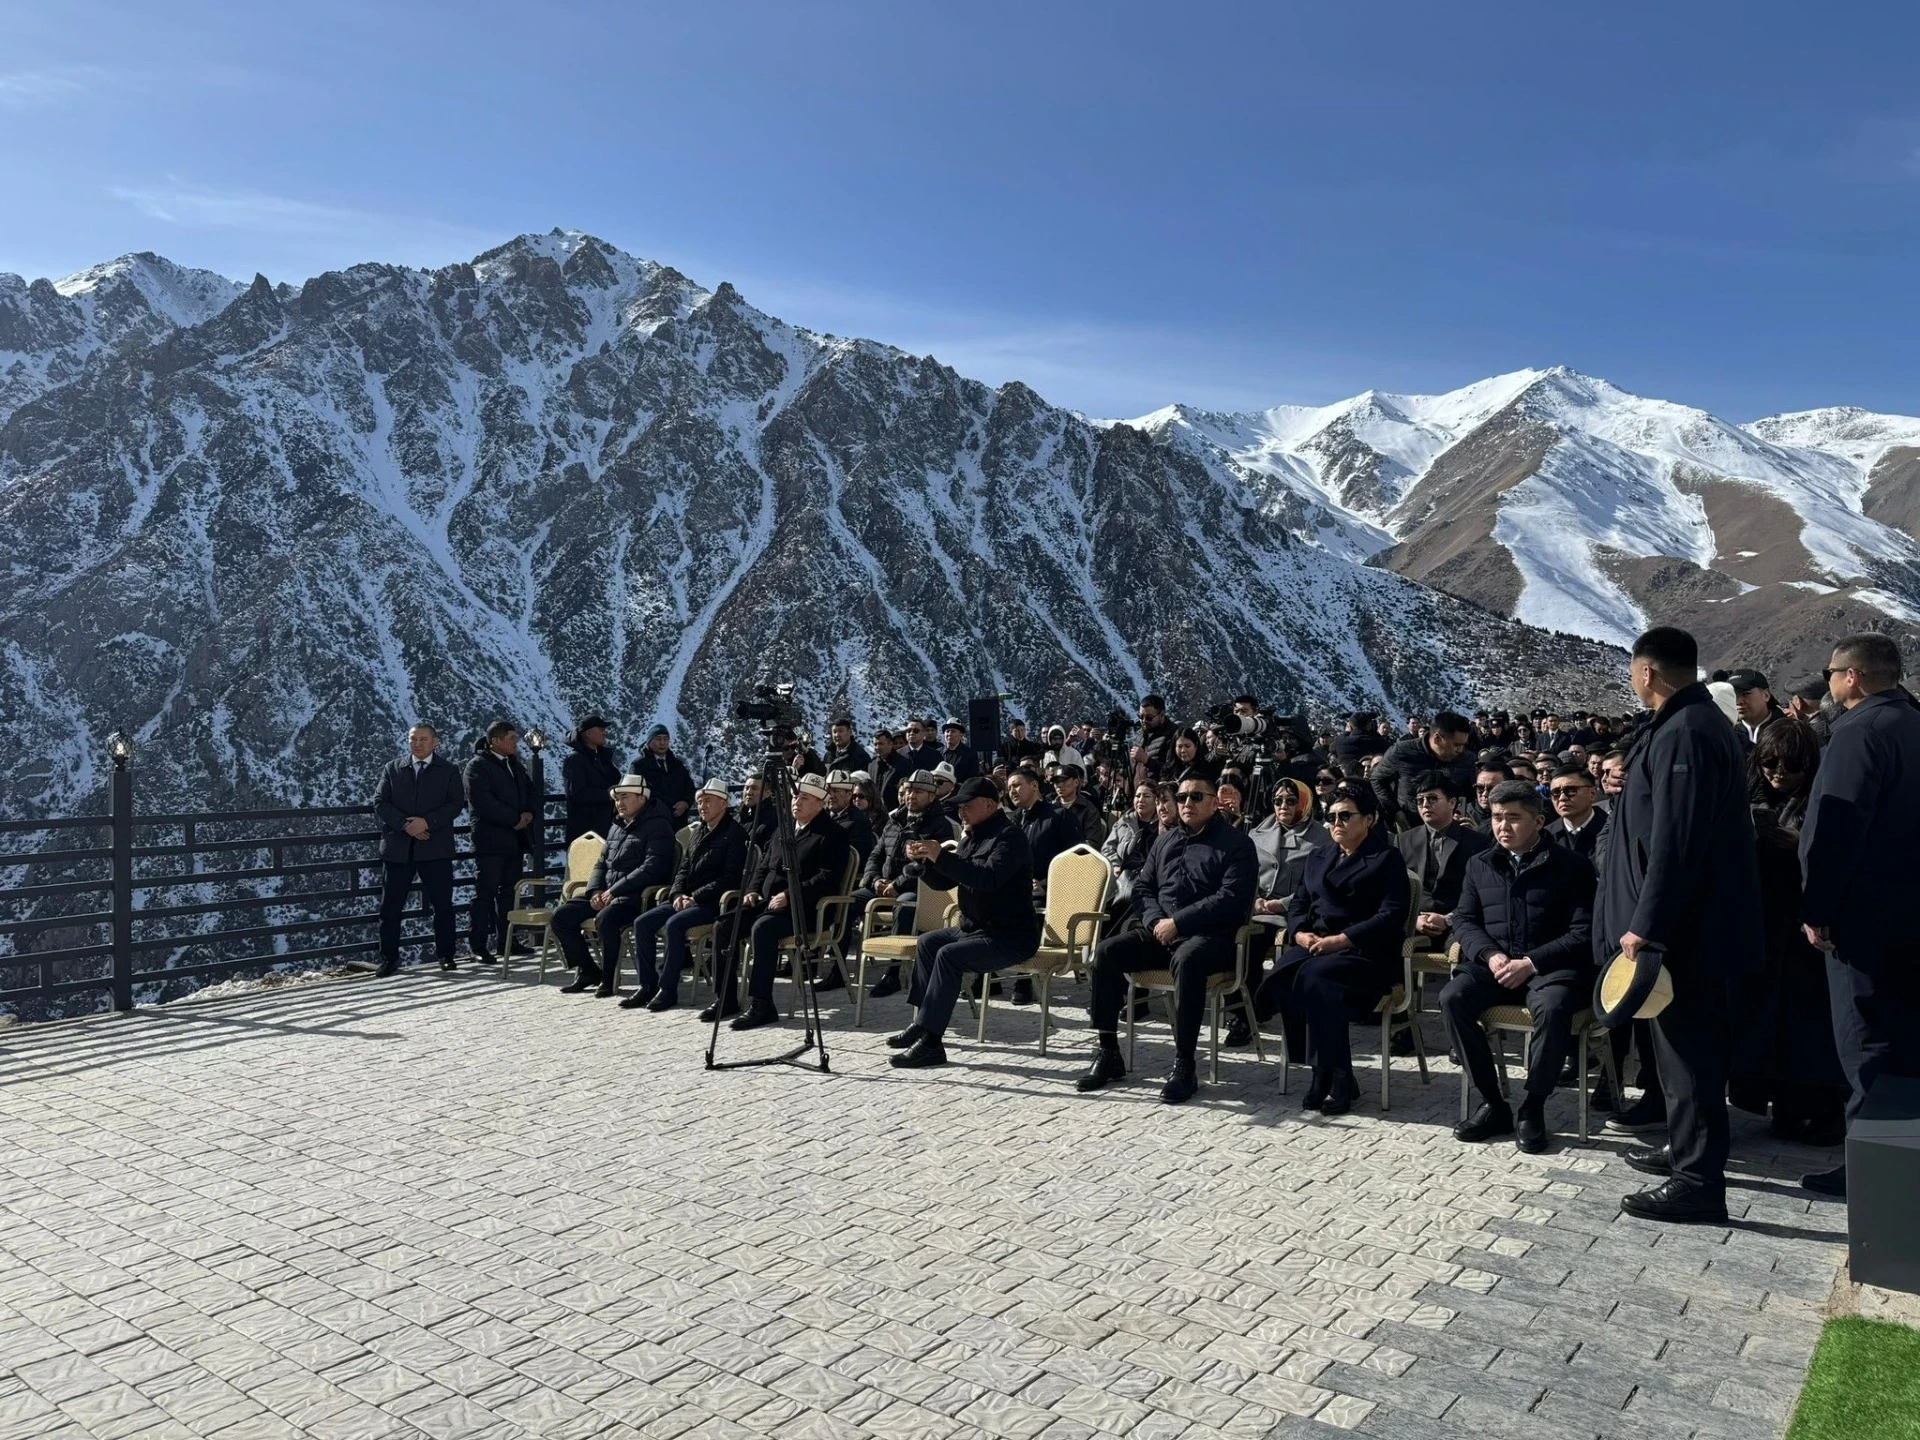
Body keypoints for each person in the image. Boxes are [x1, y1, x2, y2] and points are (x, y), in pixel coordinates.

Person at [1599, 627, 1761, 1224]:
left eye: (1632, 671)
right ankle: (1684, 1147)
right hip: (1687, 922)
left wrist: (1648, 922)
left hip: (1687, 929)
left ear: (1646, 672)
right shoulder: (1684, 724)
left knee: (1691, 1052)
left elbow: (1677, 839)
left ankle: (1698, 1183)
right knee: (1677, 1052)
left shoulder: (1687, 730)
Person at [1799, 633, 1920, 1197]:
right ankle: (1899, 1161)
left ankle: (1874, 1174)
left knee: (1866, 1043)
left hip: (1863, 918)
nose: (1827, 681)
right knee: (1905, 1041)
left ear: (1853, 676)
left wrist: (1818, 907)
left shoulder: (1859, 731)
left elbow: (1838, 828)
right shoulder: (1912, 722)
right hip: (1908, 913)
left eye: (1831, 671)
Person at [1077, 774, 1258, 1103]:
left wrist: (1178, 922)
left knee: (1188, 960)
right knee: (1107, 952)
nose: (1187, 803)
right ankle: (1108, 1051)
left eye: (1196, 797)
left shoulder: (1237, 844)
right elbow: (1143, 888)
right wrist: (1155, 921)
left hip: (1211, 937)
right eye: (1183, 797)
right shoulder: (1165, 841)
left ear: (1214, 802)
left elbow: (1231, 898)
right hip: (1161, 930)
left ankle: (1185, 1064)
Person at [1441, 781, 1597, 1152]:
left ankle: (1533, 1105)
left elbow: (1584, 931)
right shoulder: (1480, 863)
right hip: (1493, 967)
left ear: (1538, 821)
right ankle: (1492, 1103)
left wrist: (1531, 962)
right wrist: (1489, 955)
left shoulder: (1572, 866)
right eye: (1497, 817)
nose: (1503, 826)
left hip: (1551, 969)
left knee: (1553, 1007)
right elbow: (1465, 920)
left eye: (1513, 817)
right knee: (1452, 998)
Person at [1255, 782, 1411, 1114]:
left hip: (1365, 951)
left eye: (1345, 816)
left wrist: (1343, 939)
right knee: (1283, 976)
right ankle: (1325, 1068)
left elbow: (1391, 915)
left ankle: (1333, 1074)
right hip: (1317, 943)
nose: (1336, 823)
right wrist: (1299, 933)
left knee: (1315, 978)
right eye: (1331, 817)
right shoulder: (1319, 855)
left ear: (1368, 819)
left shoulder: (1386, 858)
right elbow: (1299, 903)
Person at [1728, 720, 1847, 1148]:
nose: (1779, 773)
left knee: (1807, 1027)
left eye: (1790, 766)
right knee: (1764, 1023)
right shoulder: (1747, 797)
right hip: (1759, 926)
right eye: (1770, 763)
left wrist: (1796, 844)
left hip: (1803, 931)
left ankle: (1822, 1111)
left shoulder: (1821, 798)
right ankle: (1784, 1106)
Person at [887, 778, 1039, 1069]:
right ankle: (923, 1022)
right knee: (929, 943)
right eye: (959, 807)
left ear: (990, 805)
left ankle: (931, 1043)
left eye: (967, 805)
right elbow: (947, 880)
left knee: (949, 956)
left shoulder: (1010, 838)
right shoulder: (973, 836)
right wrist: (925, 865)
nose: (961, 812)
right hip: (975, 929)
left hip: (1009, 936)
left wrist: (941, 855)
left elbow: (987, 878)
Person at [719, 773, 854, 1030]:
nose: (796, 802)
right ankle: (725, 999)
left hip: (805, 910)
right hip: (767, 903)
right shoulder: (783, 828)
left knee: (762, 929)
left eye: (804, 798)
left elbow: (827, 878)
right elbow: (764, 866)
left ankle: (762, 1005)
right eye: (794, 797)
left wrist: (791, 895)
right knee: (725, 925)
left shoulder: (832, 834)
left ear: (820, 803)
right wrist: (753, 890)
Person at [620, 779, 747, 1010]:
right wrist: (677, 893)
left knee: (674, 925)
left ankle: (668, 990)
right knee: (642, 923)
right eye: (700, 802)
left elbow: (730, 878)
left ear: (724, 804)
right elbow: (684, 869)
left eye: (708, 801)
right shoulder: (699, 831)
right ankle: (647, 985)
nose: (702, 806)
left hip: (712, 904)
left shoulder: (735, 834)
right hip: (686, 900)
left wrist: (695, 897)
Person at [549, 773, 677, 996]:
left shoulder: (659, 826)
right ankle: (588, 970)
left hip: (636, 897)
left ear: (642, 798)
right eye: (617, 798)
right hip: (608, 893)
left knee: (605, 919)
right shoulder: (617, 826)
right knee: (561, 916)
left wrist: (614, 891)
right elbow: (601, 863)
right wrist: (595, 891)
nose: (619, 803)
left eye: (625, 797)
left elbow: (652, 868)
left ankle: (608, 979)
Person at [852, 770, 957, 998]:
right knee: (849, 902)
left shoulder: (939, 826)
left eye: (918, 791)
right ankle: (837, 967)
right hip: (882, 886)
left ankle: (892, 973)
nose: (911, 795)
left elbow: (926, 866)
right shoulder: (894, 821)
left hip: (917, 890)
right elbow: (875, 856)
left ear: (931, 796)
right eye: (909, 790)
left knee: (904, 905)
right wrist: (874, 880)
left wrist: (897, 885)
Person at [372, 724, 466, 975]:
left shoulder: (448, 770)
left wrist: (427, 823)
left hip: (435, 848)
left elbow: (456, 803)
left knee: (442, 905)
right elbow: (380, 802)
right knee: (390, 907)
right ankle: (389, 958)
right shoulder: (393, 768)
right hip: (398, 849)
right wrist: (406, 825)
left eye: (423, 739)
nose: (418, 743)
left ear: (435, 741)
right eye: (413, 739)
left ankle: (446, 955)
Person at [463, 720, 539, 964]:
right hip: (490, 840)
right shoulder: (477, 766)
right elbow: (483, 803)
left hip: (515, 840)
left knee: (509, 893)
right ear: (495, 741)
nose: (516, 742)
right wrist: (515, 819)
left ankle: (507, 941)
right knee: (485, 893)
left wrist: (529, 814)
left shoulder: (513, 764)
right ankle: (478, 945)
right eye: (511, 738)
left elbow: (531, 791)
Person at [1393, 773, 1489, 949]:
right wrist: (1413, 919)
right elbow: (1395, 890)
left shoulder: (1477, 843)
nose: (1425, 805)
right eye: (1420, 800)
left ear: (1452, 803)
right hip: (1414, 922)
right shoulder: (1403, 840)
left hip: (1459, 924)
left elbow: (1482, 893)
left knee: (1465, 946)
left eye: (1432, 799)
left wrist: (1448, 919)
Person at [1369, 712, 1477, 829]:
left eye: (1463, 745)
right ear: (1437, 739)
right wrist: (1395, 812)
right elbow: (1377, 779)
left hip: (1450, 827)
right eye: (1456, 745)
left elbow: (1470, 793)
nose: (1460, 750)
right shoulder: (1403, 752)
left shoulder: (1466, 759)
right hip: (1410, 826)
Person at [1101, 782, 1161, 916]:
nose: (1140, 800)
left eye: (1146, 796)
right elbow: (1107, 848)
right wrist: (1115, 865)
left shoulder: (1162, 825)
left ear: (1156, 800)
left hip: (1143, 877)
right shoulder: (1124, 821)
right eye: (1138, 796)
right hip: (1118, 873)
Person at [560, 716, 621, 841]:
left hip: (606, 829)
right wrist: (608, 794)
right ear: (588, 733)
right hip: (585, 832)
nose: (604, 733)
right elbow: (576, 794)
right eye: (600, 729)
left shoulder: (601, 758)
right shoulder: (575, 760)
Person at [1544, 763, 1608, 861]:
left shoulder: (1612, 829)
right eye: (1556, 792)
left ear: (1592, 793)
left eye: (1571, 790)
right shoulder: (1545, 836)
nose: (1562, 798)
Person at [635, 725, 696, 824]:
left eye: (665, 739)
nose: (662, 743)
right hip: (651, 822)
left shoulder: (677, 765)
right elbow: (637, 794)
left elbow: (690, 788)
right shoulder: (638, 766)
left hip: (678, 821)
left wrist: (685, 803)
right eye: (658, 739)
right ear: (649, 742)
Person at [1051, 763, 1109, 848]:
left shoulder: (1089, 810)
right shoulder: (1050, 808)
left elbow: (1091, 843)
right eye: (1056, 782)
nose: (1059, 785)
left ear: (1076, 782)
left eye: (1064, 781)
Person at [1728, 669, 1787, 749]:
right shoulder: (1727, 735)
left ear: (1766, 695)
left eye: (1745, 693)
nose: (1738, 702)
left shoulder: (1788, 731)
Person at [1131, 695, 1176, 787]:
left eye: (1149, 718)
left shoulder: (1173, 735)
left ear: (1161, 715)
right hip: (1138, 792)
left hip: (1159, 791)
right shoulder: (1140, 735)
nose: (1144, 721)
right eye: (1141, 717)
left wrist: (1147, 761)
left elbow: (1173, 771)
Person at [940, 718, 981, 782]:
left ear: (961, 734)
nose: (949, 734)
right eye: (947, 731)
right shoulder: (937, 753)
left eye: (953, 731)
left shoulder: (970, 754)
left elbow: (973, 779)